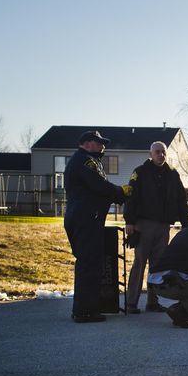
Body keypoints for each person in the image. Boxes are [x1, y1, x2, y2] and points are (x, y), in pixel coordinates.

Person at [63, 130, 129, 323]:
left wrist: (117, 193)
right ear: (87, 143)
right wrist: (120, 192)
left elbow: (99, 186)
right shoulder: (85, 161)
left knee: (88, 262)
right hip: (86, 218)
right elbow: (99, 186)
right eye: (99, 143)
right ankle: (85, 311)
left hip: (85, 216)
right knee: (89, 263)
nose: (103, 146)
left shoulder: (87, 161)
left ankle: (85, 308)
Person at [123, 142, 188, 314]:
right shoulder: (140, 173)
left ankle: (153, 302)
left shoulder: (172, 175)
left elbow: (181, 200)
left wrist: (186, 223)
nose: (161, 155)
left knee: (158, 266)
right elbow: (131, 197)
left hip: (163, 226)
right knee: (139, 264)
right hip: (143, 225)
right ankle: (131, 303)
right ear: (150, 154)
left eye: (163, 152)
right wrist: (129, 222)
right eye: (157, 152)